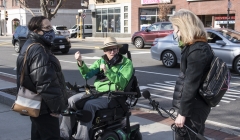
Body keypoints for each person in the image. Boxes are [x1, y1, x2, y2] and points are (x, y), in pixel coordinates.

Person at [60, 37, 134, 140]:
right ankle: (64, 135)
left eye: (115, 49)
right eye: (109, 49)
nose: (112, 52)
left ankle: (81, 138)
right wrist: (80, 62)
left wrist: (108, 72)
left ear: (118, 49)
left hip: (114, 95)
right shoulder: (101, 61)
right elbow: (87, 75)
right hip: (97, 92)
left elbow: (122, 84)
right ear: (104, 51)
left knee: (89, 106)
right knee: (71, 101)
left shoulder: (126, 63)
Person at [16, 16, 68, 140]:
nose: (51, 31)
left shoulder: (29, 45)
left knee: (38, 136)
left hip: (35, 105)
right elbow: (45, 83)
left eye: (51, 27)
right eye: (47, 28)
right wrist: (56, 108)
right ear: (36, 31)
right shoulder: (39, 49)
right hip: (45, 108)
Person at [170, 9, 214, 140]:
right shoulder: (194, 47)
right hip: (192, 107)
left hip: (193, 109)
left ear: (184, 28)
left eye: (176, 30)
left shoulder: (198, 50)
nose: (175, 33)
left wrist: (182, 114)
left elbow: (191, 84)